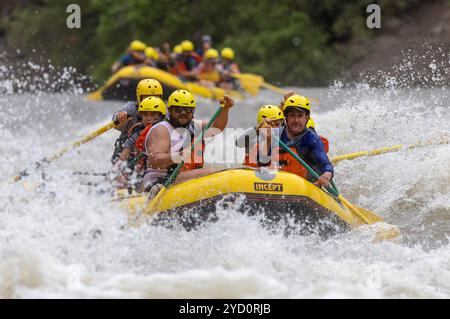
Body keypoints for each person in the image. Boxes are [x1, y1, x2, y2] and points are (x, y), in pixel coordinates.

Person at [143, 89, 234, 190]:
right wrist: (179, 155)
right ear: (170, 111)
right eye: (178, 110)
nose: (183, 113)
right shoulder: (162, 129)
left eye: (187, 110)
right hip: (158, 182)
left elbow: (217, 128)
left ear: (193, 112)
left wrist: (225, 109)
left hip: (178, 177)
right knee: (209, 172)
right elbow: (154, 162)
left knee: (215, 172)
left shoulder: (193, 126)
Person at [110, 97, 166, 189]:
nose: (148, 118)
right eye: (145, 115)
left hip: (161, 171)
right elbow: (123, 157)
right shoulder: (136, 134)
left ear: (161, 116)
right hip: (141, 172)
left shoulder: (169, 131)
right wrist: (115, 173)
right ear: (140, 116)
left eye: (153, 115)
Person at [278, 94, 333, 187]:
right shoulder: (276, 134)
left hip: (306, 184)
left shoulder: (312, 139)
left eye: (300, 116)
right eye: (292, 115)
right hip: (281, 181)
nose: (296, 120)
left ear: (306, 118)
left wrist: (326, 176)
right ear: (286, 117)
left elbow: (326, 165)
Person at [111, 78, 163, 165]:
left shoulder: (162, 111)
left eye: (155, 98)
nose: (150, 102)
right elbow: (114, 122)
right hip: (127, 149)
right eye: (146, 98)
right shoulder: (130, 109)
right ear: (139, 98)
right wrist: (120, 119)